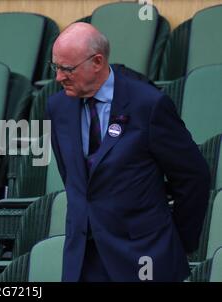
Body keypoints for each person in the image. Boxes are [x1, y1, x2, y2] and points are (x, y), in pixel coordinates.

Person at [46, 22, 210, 282]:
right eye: (55, 67)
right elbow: (74, 178)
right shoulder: (58, 108)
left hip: (144, 258)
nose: (58, 77)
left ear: (97, 62)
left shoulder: (148, 104)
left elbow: (193, 176)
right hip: (84, 260)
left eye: (67, 69)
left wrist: (178, 242)